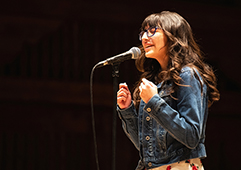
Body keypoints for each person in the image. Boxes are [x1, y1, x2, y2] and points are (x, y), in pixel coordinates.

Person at [116, 11, 220, 170]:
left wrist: (154, 102)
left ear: (173, 36)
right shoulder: (153, 82)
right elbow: (146, 148)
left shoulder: (188, 75)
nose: (144, 38)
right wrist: (127, 110)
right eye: (143, 32)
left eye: (152, 31)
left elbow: (192, 136)